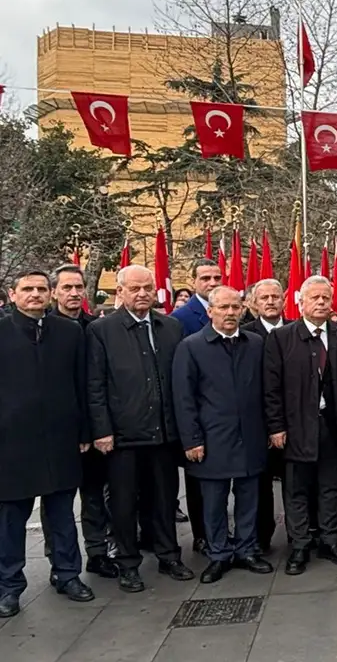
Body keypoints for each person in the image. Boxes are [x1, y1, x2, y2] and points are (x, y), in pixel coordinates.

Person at [87, 265, 194, 592]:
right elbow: (95, 384)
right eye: (134, 289)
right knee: (122, 503)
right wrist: (102, 430)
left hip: (163, 433)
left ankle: (168, 555)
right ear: (120, 291)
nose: (143, 293)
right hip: (123, 435)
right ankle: (128, 563)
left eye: (148, 287)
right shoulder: (102, 330)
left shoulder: (171, 327)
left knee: (164, 498)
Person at [0, 270, 96, 617]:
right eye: (28, 289)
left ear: (50, 293)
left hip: (61, 439)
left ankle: (68, 574)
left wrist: (85, 430)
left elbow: (83, 384)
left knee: (62, 516)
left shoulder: (69, 332)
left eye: (42, 289)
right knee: (10, 520)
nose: (35, 295)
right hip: (12, 444)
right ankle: (8, 586)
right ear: (13, 294)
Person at [172, 286, 274, 584]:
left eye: (235, 307)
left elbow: (267, 390)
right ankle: (218, 554)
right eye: (223, 308)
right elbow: (184, 398)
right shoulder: (191, 346)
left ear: (244, 310)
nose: (230, 313)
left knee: (248, 498)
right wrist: (191, 440)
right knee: (214, 502)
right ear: (210, 311)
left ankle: (246, 549)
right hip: (211, 439)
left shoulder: (254, 343)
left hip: (251, 436)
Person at [264, 275, 337, 576]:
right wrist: (276, 426)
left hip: (334, 427)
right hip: (295, 428)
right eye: (314, 298)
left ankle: (330, 540)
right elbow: (271, 387)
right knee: (297, 490)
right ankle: (300, 544)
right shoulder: (282, 338)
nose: (320, 302)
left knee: (331, 486)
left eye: (325, 298)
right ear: (300, 302)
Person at [48, 264, 115, 580]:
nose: (74, 293)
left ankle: (97, 552)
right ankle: (57, 558)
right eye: (66, 288)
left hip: (93, 427)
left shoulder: (95, 328)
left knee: (93, 494)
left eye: (78, 287)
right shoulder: (44, 328)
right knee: (55, 498)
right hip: (56, 431)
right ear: (54, 292)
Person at [170, 258, 223, 553]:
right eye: (205, 277)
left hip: (225, 410)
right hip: (199, 412)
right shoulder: (182, 318)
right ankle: (202, 534)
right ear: (193, 281)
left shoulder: (230, 309)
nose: (212, 282)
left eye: (217, 276)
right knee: (198, 480)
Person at [242, 279, 286, 553]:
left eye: (275, 296)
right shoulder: (245, 334)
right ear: (254, 303)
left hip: (294, 423)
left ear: (284, 300)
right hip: (257, 425)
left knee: (296, 484)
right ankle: (261, 538)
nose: (270, 302)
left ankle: (301, 534)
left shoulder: (297, 329)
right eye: (264, 298)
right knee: (260, 486)